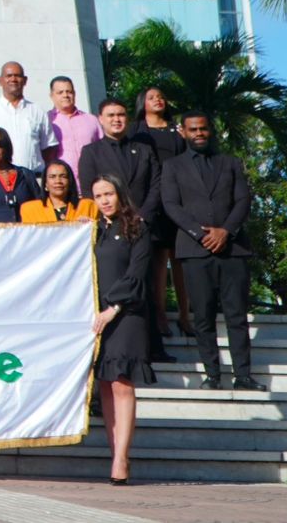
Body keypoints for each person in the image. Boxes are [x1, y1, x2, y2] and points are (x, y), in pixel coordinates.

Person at [160, 112, 264, 391]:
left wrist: (225, 231)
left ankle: (243, 376)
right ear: (183, 131)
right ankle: (213, 375)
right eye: (193, 129)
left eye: (203, 129)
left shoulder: (229, 163)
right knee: (203, 317)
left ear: (211, 130)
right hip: (194, 251)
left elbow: (243, 199)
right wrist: (200, 233)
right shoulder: (172, 167)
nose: (199, 133)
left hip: (233, 250)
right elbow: (171, 205)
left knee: (236, 316)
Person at [79, 97, 168, 359]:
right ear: (100, 119)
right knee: (118, 285)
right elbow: (88, 191)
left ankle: (154, 348)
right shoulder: (91, 152)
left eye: (121, 114)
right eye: (110, 115)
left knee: (146, 284)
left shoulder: (143, 150)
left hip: (140, 226)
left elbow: (156, 185)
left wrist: (141, 217)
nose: (116, 119)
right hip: (110, 230)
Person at [89, 173, 157, 485]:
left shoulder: (137, 227)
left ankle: (122, 458)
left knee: (121, 383)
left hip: (127, 313)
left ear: (120, 194)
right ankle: (113, 450)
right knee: (105, 383)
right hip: (96, 314)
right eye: (98, 195)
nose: (104, 200)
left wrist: (113, 308)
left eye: (108, 194)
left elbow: (138, 274)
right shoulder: (93, 230)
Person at [133, 86, 188, 339]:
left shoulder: (177, 130)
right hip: (153, 199)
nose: (158, 100)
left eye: (161, 96)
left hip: (179, 197)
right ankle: (161, 315)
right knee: (158, 261)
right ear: (142, 102)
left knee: (181, 259)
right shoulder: (137, 131)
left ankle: (186, 316)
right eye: (152, 97)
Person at [0, 62, 55, 173]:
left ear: (25, 80)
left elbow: (48, 148)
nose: (13, 79)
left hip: (33, 178)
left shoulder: (38, 111)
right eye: (9, 76)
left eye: (17, 76)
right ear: (0, 81)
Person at [46, 76, 103, 181]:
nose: (65, 95)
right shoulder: (47, 121)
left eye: (69, 92)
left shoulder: (91, 120)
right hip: (62, 184)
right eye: (60, 92)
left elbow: (102, 151)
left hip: (92, 181)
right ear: (52, 96)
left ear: (74, 94)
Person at [20, 161, 96, 222]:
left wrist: (92, 225)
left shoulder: (88, 206)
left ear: (70, 181)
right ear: (45, 183)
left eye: (63, 176)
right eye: (52, 177)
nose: (58, 181)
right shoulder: (30, 209)